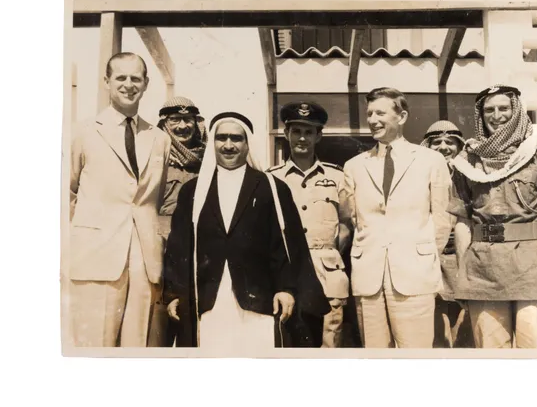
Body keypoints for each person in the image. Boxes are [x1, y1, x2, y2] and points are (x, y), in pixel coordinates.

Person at [162, 112, 329, 351]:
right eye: (221, 138)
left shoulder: (272, 187)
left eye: (236, 138)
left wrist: (286, 289)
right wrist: (174, 293)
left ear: (247, 143)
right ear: (213, 143)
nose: (228, 145)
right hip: (208, 300)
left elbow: (286, 246)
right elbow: (179, 246)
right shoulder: (193, 191)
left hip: (259, 301)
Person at [69, 52, 171, 347]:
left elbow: (155, 197)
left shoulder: (159, 138)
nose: (129, 85)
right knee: (93, 347)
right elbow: (65, 193)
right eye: (121, 78)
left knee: (136, 350)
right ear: (107, 82)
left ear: (146, 83)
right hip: (94, 259)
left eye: (135, 78)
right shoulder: (83, 131)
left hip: (145, 263)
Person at [339, 87, 452, 348]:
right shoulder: (355, 165)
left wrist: (420, 256)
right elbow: (353, 218)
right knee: (375, 355)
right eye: (369, 113)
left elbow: (442, 219)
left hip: (414, 275)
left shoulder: (431, 160)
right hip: (369, 277)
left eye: (380, 112)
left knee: (416, 355)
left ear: (401, 117)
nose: (372, 119)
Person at [448, 85, 537, 348]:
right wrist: (462, 272)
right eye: (489, 110)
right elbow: (462, 222)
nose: (496, 115)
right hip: (483, 269)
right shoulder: (467, 162)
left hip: (532, 268)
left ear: (516, 111)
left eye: (504, 108)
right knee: (492, 356)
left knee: (534, 349)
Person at [268, 101, 350, 348]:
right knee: (286, 337)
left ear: (319, 136)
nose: (302, 138)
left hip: (327, 270)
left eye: (308, 132)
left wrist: (330, 253)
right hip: (287, 270)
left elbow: (346, 224)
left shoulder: (337, 177)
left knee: (329, 339)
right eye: (296, 131)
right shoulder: (272, 177)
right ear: (286, 134)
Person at [149, 96, 207, 347]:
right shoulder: (153, 158)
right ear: (164, 124)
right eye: (175, 120)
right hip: (159, 251)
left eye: (188, 120)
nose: (183, 126)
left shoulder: (206, 162)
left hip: (193, 252)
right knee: (157, 332)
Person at [420, 120, 474, 348]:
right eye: (436, 142)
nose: (443, 147)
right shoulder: (417, 175)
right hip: (428, 258)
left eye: (450, 142)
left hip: (461, 258)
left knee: (464, 328)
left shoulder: (470, 176)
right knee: (433, 331)